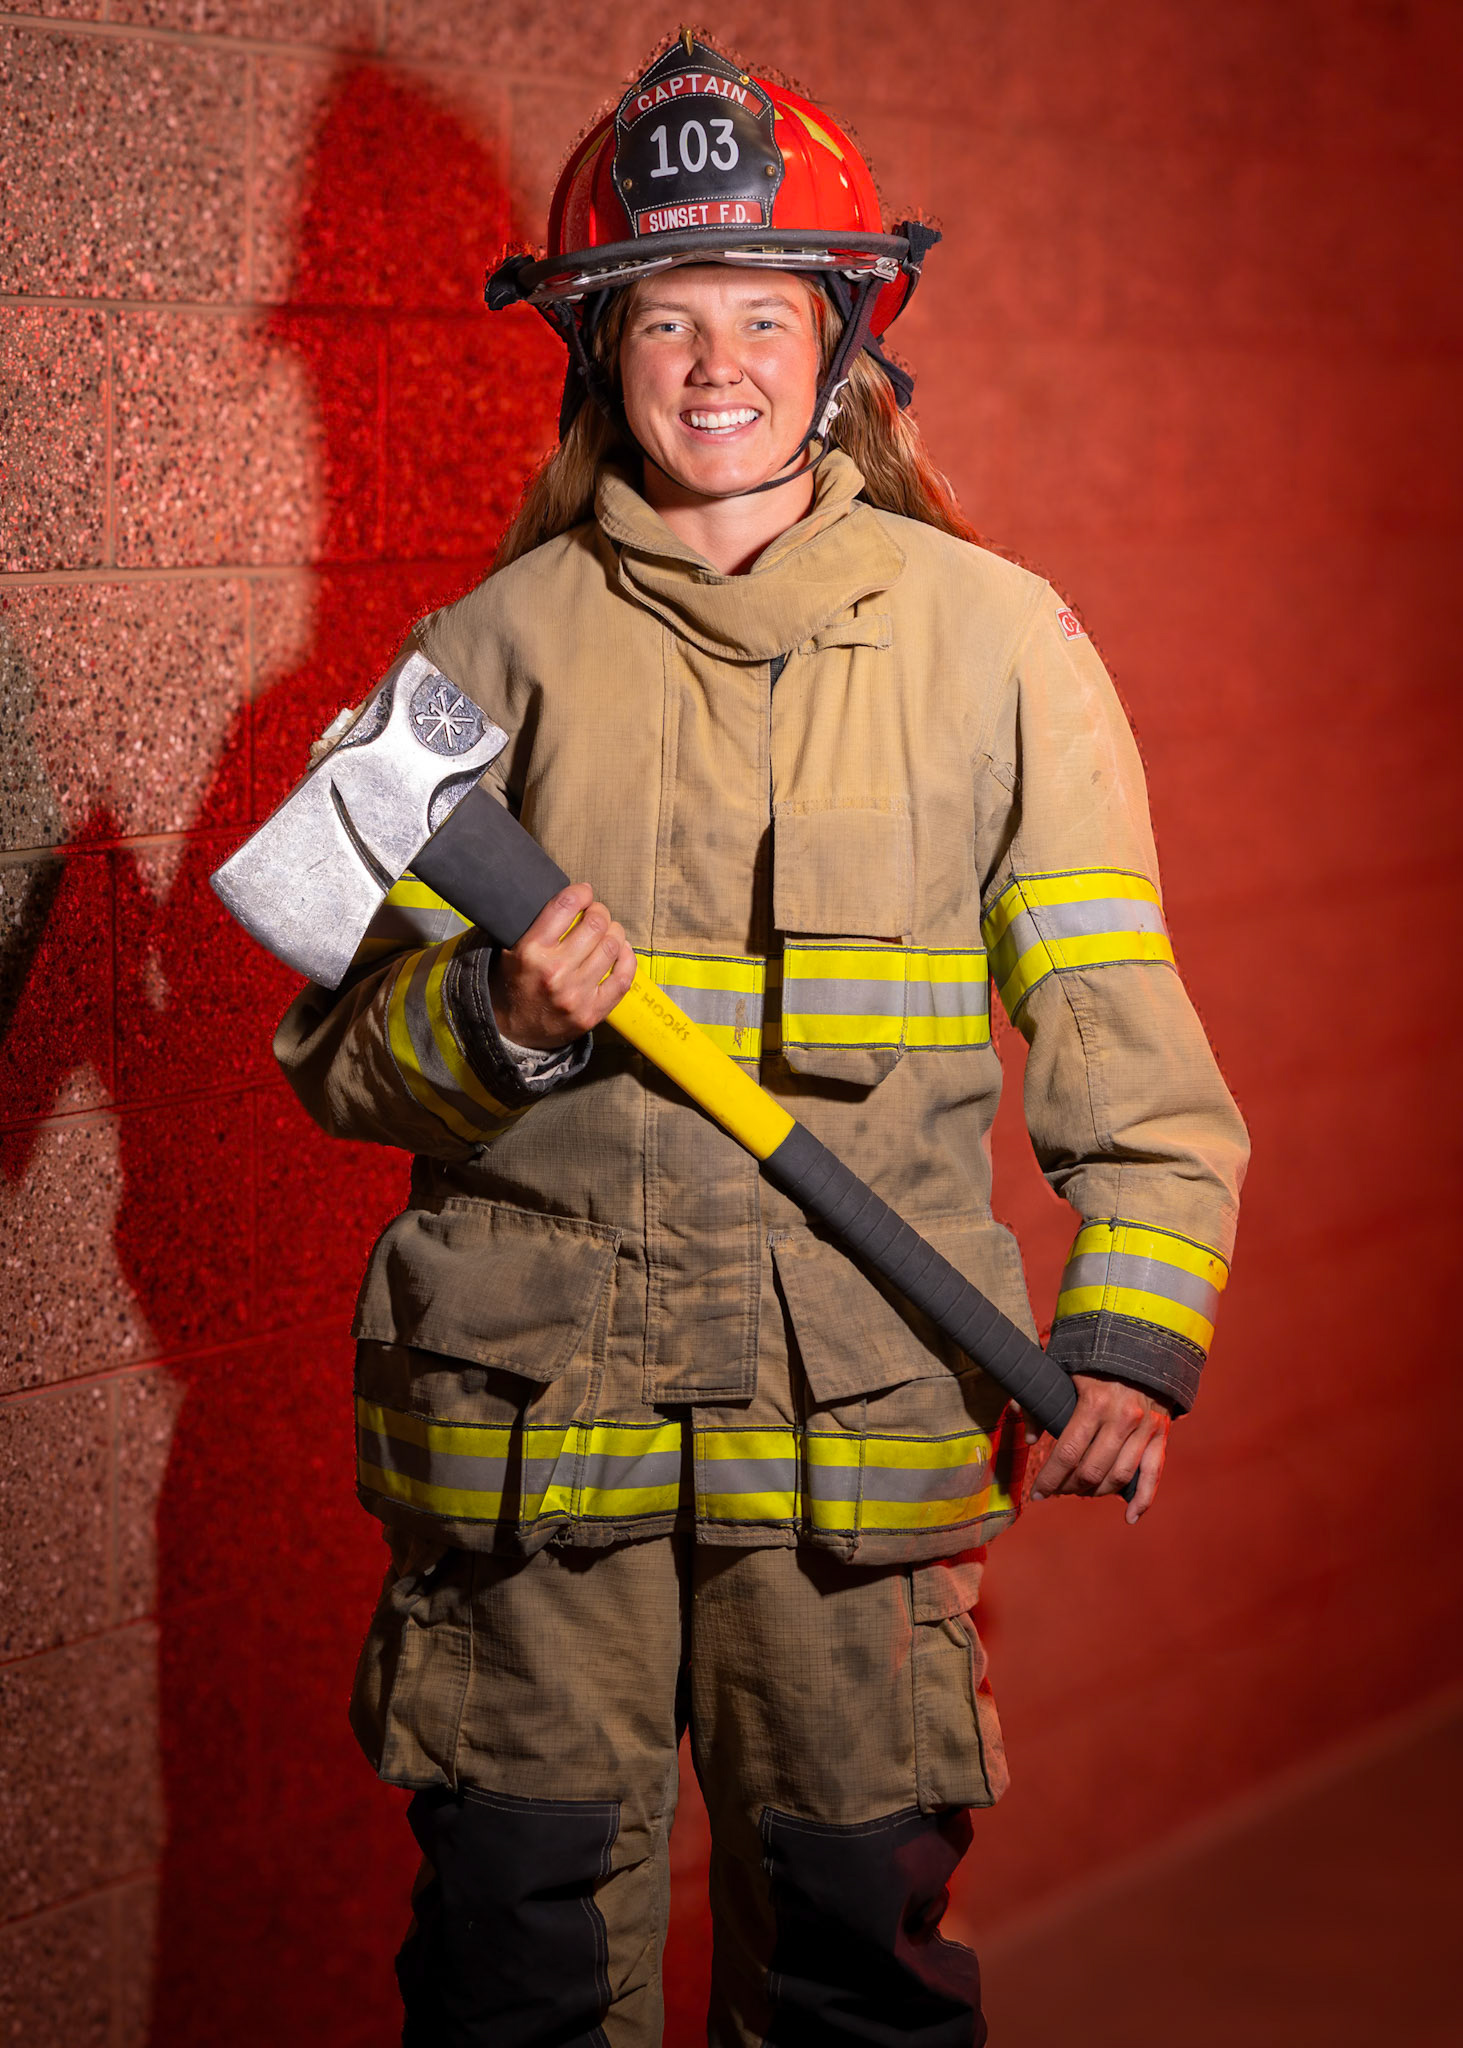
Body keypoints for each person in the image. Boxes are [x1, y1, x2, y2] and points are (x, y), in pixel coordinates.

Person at [276, 29, 1248, 2047]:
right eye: (665, 318)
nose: (715, 364)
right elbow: (334, 1056)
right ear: (598, 351)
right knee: (513, 1974)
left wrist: (1133, 1332)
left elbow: (1125, 1041)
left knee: (852, 1977)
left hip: (856, 1433)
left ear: (842, 343)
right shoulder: (475, 658)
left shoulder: (998, 641)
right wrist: (496, 1017)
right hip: (536, 1456)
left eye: (763, 315)